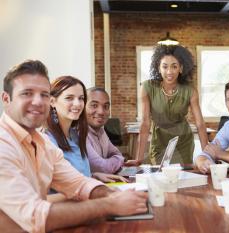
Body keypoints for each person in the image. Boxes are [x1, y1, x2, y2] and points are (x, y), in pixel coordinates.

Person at [0, 60, 147, 233]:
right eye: (27, 93)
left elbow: (78, 183)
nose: (38, 102)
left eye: (44, 94)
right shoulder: (4, 145)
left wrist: (113, 195)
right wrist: (109, 204)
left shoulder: (42, 142)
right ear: (6, 99)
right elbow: (35, 216)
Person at [137, 44, 208, 165]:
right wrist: (138, 159)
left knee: (182, 178)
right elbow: (145, 123)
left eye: (174, 66)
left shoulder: (190, 91)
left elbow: (200, 124)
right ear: (158, 68)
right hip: (159, 143)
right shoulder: (147, 87)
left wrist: (208, 156)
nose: (169, 71)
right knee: (160, 176)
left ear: (181, 68)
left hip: (183, 143)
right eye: (165, 67)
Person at [46, 76, 126, 183]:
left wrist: (93, 176)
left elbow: (77, 174)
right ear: (52, 101)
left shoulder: (75, 135)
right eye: (69, 98)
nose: (77, 104)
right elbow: (58, 187)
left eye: (81, 98)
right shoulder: (47, 140)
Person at [86, 87, 139, 174]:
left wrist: (118, 161)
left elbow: (117, 154)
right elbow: (101, 167)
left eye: (106, 107)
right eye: (94, 105)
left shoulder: (101, 131)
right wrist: (120, 162)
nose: (101, 112)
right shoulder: (79, 133)